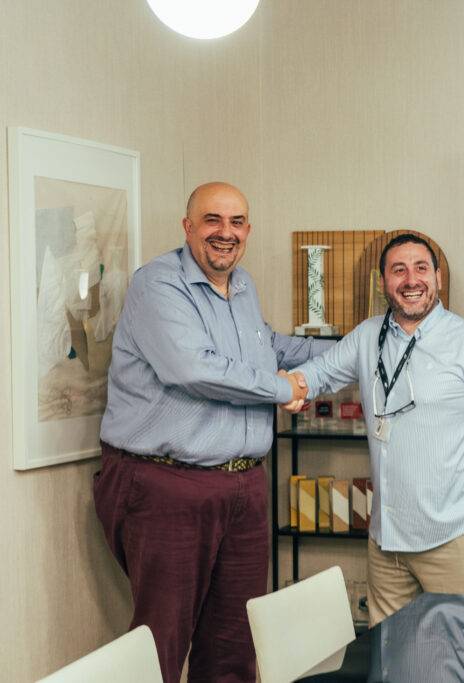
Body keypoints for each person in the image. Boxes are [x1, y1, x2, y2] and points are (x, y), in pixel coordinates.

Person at [93, 182, 330, 683]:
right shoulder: (158, 285)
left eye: (237, 222)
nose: (226, 233)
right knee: (160, 643)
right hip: (168, 485)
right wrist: (279, 389)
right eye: (213, 221)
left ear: (248, 230)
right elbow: (193, 368)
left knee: (233, 646)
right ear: (188, 227)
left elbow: (270, 348)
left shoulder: (241, 287)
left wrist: (358, 346)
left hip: (243, 486)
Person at [286, 234, 464, 626]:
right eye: (399, 270)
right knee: (393, 659)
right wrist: (290, 385)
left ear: (438, 278)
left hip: (453, 539)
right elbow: (320, 372)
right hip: (386, 543)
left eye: (421, 268)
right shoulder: (366, 336)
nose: (411, 280)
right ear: (383, 283)